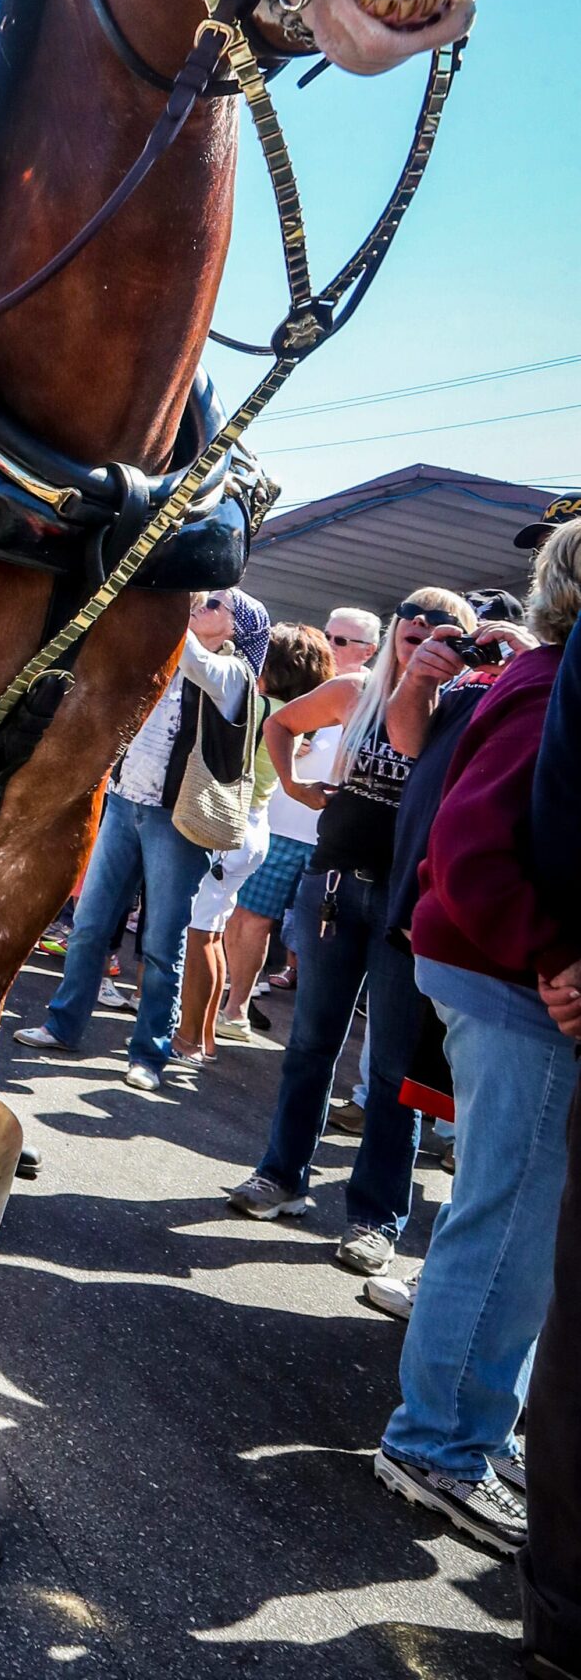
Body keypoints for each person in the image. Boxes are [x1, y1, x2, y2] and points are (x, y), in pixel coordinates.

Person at [372, 523, 581, 1556]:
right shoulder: (550, 685)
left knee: (505, 1217)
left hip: (498, 972)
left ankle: (461, 1430)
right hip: (508, 981)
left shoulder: (540, 674)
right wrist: (550, 953)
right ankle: (434, 1447)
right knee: (501, 1221)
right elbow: (466, 846)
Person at [224, 585, 475, 1273]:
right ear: (395, 628)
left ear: (462, 642)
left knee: (394, 1072)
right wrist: (298, 788)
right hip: (332, 887)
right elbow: (279, 725)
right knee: (309, 1045)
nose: (422, 631)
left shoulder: (461, 708)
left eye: (442, 626)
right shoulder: (355, 688)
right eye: (412, 620)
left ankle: (375, 1221)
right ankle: (280, 1177)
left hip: (404, 908)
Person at [15, 588, 270, 1092]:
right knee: (89, 925)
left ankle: (150, 1055)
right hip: (126, 802)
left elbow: (194, 660)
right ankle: (62, 1026)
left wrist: (174, 598)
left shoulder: (234, 674)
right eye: (202, 600)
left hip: (177, 820)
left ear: (236, 629)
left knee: (161, 943)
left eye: (215, 604)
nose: (202, 605)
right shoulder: (174, 653)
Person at [178, 622, 333, 1059]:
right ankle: (206, 1034)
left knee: (201, 935)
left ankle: (189, 1040)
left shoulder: (260, 708)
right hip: (251, 830)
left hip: (228, 829)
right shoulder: (292, 717)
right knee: (212, 933)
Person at [223, 609, 377, 1028]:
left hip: (331, 839)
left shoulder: (372, 697)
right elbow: (273, 730)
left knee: (322, 941)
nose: (331, 643)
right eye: (328, 635)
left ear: (370, 651)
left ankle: (307, 1026)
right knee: (250, 918)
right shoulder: (298, 688)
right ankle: (235, 1007)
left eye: (342, 641)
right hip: (279, 827)